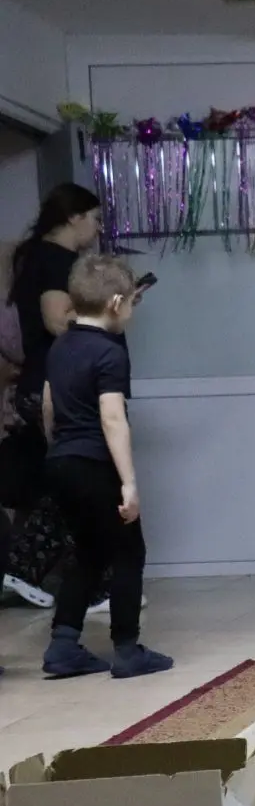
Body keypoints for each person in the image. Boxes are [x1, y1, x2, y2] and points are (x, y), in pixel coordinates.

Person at [39, 253, 170, 678]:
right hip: (95, 463)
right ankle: (128, 650)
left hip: (61, 461)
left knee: (88, 551)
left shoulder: (60, 346)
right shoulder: (110, 353)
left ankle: (63, 645)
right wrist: (128, 483)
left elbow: (48, 405)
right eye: (130, 303)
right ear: (115, 303)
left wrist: (58, 447)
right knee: (129, 551)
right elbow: (112, 418)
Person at [3, 184, 105, 611]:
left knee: (68, 484)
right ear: (73, 217)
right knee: (80, 483)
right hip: (53, 387)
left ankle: (42, 572)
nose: (98, 229)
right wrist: (106, 312)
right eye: (94, 219)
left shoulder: (37, 258)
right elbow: (57, 322)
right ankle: (51, 575)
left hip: (43, 383)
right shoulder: (56, 261)